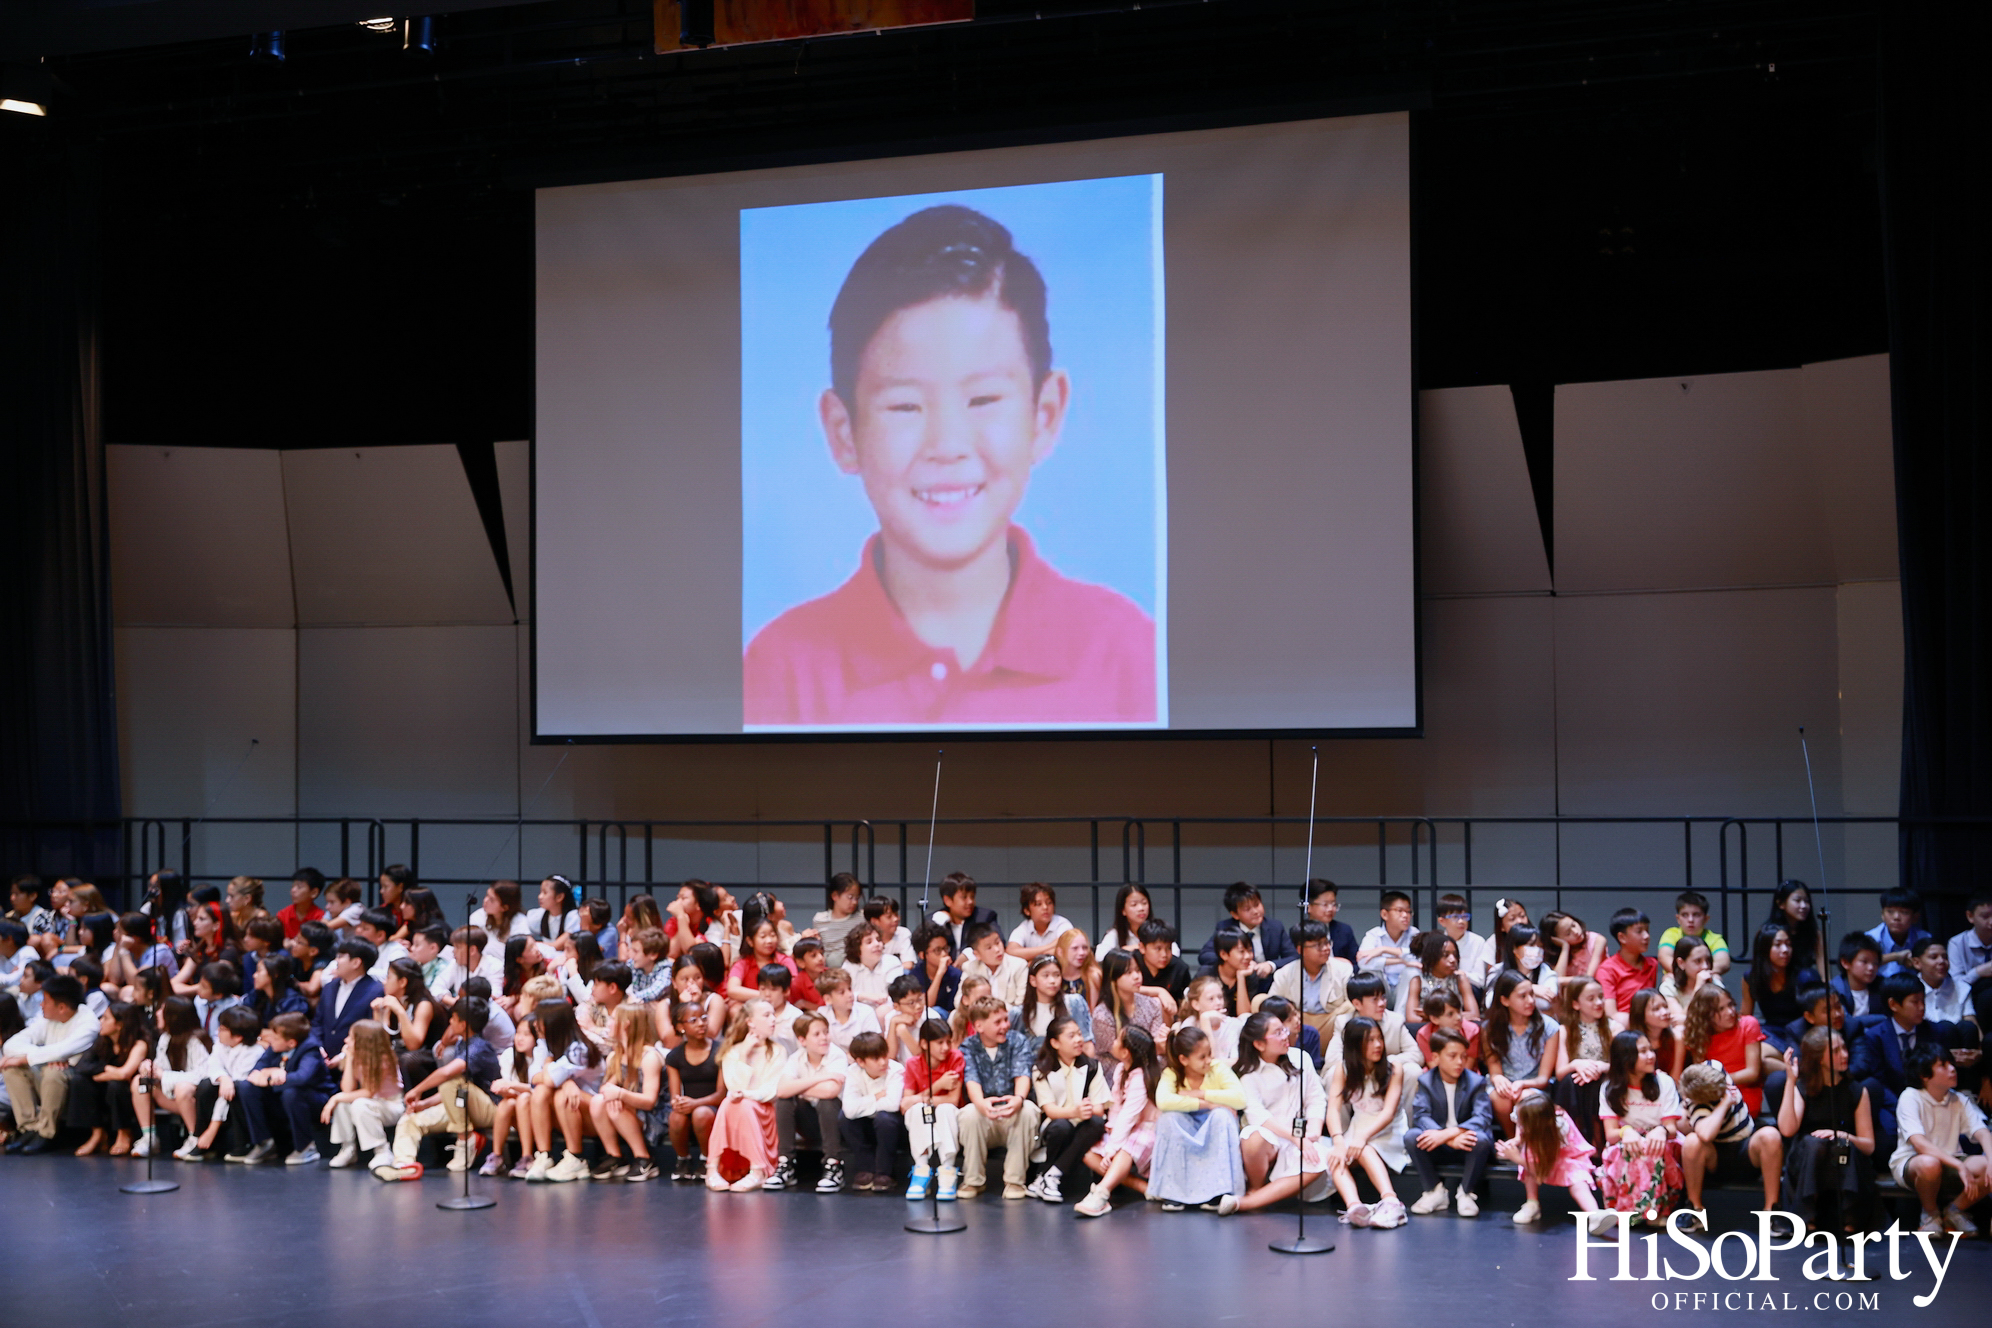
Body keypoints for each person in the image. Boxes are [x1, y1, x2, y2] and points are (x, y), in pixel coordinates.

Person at [742, 203, 1156, 727]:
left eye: (983, 400)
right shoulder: (780, 669)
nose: (947, 445)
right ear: (843, 432)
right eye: (905, 407)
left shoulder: (1125, 653)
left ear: (1045, 415)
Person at [379, 996, 502, 1181]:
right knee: (411, 1119)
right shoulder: (462, 1043)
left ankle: (466, 1139)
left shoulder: (479, 1047)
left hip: (490, 1109)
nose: (450, 1021)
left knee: (450, 1080)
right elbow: (453, 1093)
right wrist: (424, 1104)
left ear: (463, 1024)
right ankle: (404, 1165)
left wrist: (417, 1090)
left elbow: (449, 1078)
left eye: (453, 1018)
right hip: (462, 1107)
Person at [1773, 1028, 1877, 1232]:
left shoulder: (1857, 1090)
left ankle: (1850, 1219)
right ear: (1820, 1058)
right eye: (1836, 1051)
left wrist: (1843, 1135)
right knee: (1814, 1143)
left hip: (1843, 1158)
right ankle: (1806, 1216)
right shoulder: (1803, 1087)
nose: (1845, 1055)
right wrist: (1790, 1081)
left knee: (1843, 1145)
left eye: (1844, 1048)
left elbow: (1869, 1146)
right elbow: (1787, 1129)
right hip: (1809, 1158)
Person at [1232, 1010, 1330, 1214]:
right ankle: (1255, 1187)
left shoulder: (1300, 1058)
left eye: (1284, 1030)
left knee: (1319, 1158)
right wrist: (1296, 1138)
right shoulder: (1248, 1074)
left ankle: (1251, 1201)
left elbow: (1316, 1098)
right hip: (1271, 1137)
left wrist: (1313, 1129)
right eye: (1277, 1033)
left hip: (1300, 1135)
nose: (1286, 1035)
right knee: (1253, 1136)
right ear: (1259, 1044)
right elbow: (1258, 1116)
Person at [1890, 1044, 1992, 1236]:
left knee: (1987, 1166)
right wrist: (1959, 1166)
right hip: (1913, 1164)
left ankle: (1955, 1210)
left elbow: (1982, 1132)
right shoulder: (1910, 1097)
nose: (1952, 1069)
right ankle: (1930, 1214)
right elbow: (1918, 1143)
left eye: (1951, 1064)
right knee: (1930, 1164)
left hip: (1951, 1160)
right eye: (1943, 1065)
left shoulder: (1959, 1099)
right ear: (1924, 1075)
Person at [1147, 1024, 1246, 1212]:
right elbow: (1164, 1101)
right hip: (1186, 1124)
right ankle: (1174, 1193)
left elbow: (1239, 1098)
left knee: (1221, 1116)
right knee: (1168, 1119)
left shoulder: (1217, 1069)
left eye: (1210, 1053)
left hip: (1212, 1124)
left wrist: (1199, 1093)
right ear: (1184, 1059)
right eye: (1202, 1057)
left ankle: (1218, 1190)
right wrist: (1206, 1104)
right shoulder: (1171, 1074)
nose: (1209, 1060)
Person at [1324, 1016, 1411, 1228]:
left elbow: (1389, 1113)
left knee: (1363, 1149)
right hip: (1359, 1126)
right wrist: (1337, 1141)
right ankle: (1355, 1206)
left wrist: (1361, 1138)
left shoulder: (1394, 1068)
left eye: (1378, 1038)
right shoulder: (1343, 1070)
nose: (1378, 1045)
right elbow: (1333, 1109)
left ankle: (1391, 1201)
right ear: (1355, 1045)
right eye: (1370, 1040)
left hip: (1389, 1130)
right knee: (1336, 1157)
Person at [1593, 1029, 1684, 1221]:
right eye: (1643, 1051)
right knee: (1625, 1150)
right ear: (1626, 1058)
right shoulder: (1609, 1088)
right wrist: (1627, 1131)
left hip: (1662, 1139)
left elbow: (1672, 1129)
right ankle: (1631, 1213)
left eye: (1650, 1050)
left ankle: (1647, 1214)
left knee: (1651, 1150)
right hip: (1628, 1139)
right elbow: (1610, 1134)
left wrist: (1660, 1130)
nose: (1651, 1055)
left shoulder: (1664, 1082)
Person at [956, 995, 1041, 1199]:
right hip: (986, 1115)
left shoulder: (1017, 1040)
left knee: (1028, 1109)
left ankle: (1014, 1182)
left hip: (1012, 1112)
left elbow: (1023, 1074)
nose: (1005, 1025)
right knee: (969, 1114)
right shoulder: (968, 1046)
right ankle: (973, 1181)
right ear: (979, 1026)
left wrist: (1018, 1098)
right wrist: (981, 1104)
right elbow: (971, 1080)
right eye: (998, 1022)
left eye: (1006, 1019)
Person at [0, 973, 95, 1154]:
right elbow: (12, 1045)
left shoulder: (88, 1023)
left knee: (53, 1074)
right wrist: (43, 1057)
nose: (40, 1004)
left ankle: (47, 1133)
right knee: (12, 1067)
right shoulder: (47, 1019)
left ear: (61, 1007)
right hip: (46, 1073)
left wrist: (29, 1057)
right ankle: (29, 1128)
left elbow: (63, 1050)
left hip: (74, 1082)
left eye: (45, 1000)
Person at [1074, 1024, 1162, 1217]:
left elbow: (1129, 1116)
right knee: (1088, 1152)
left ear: (1125, 1052)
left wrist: (1112, 1149)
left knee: (1125, 1148)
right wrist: (1111, 1131)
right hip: (1125, 1129)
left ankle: (1101, 1194)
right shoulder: (1121, 1069)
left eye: (1117, 1040)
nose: (1112, 1043)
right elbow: (1116, 1108)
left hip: (1147, 1130)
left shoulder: (1141, 1078)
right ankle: (1142, 1187)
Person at [1026, 1013, 1111, 1202]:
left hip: (1084, 1123)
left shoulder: (1092, 1067)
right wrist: (1074, 1112)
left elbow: (1099, 1108)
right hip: (1057, 1124)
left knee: (1097, 1123)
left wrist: (1085, 1111)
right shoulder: (1041, 1069)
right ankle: (1048, 1177)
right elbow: (1050, 1110)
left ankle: (1049, 1175)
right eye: (1071, 1036)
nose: (1079, 1039)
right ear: (1055, 1043)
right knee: (1061, 1126)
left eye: (1079, 1034)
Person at [234, 1010, 334, 1166]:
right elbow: (257, 1070)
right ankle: (264, 1142)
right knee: (247, 1087)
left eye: (275, 1037)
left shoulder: (310, 1049)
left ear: (291, 1043)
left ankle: (306, 1147)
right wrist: (270, 1074)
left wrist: (270, 1077)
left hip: (315, 1100)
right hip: (283, 1095)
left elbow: (302, 1078)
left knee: (292, 1092)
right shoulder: (274, 1048)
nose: (269, 1040)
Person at [1497, 1088, 1605, 1229]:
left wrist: (1516, 1158)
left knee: (1578, 1182)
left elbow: (1543, 1167)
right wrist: (1517, 1139)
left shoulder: (1559, 1128)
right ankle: (1532, 1203)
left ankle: (1594, 1215)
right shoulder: (1524, 1114)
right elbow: (1519, 1124)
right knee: (1527, 1163)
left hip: (1565, 1157)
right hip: (1539, 1155)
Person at [707, 999, 785, 1192]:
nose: (773, 1019)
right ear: (750, 1022)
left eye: (773, 1014)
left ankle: (757, 1170)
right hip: (739, 1108)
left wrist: (747, 1094)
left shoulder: (778, 1051)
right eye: (767, 1015)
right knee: (729, 1103)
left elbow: (772, 1090)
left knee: (743, 1104)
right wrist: (744, 1054)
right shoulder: (732, 1051)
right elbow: (734, 1087)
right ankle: (711, 1169)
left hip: (764, 1110)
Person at [769, 1011, 847, 1191]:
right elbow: (781, 1090)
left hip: (837, 1123)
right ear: (802, 1040)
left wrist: (799, 1087)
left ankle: (833, 1164)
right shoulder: (796, 1058)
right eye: (817, 1034)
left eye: (826, 1032)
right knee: (784, 1101)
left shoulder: (836, 1055)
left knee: (827, 1102)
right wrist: (822, 1078)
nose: (824, 1038)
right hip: (810, 1122)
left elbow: (831, 1091)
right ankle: (786, 1162)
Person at [591, 1002, 666, 1182]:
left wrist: (620, 1095)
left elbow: (649, 1101)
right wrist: (612, 1093)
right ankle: (615, 1156)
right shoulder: (615, 1056)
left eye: (612, 1019)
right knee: (598, 1101)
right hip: (632, 1109)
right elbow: (606, 1088)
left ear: (625, 1024)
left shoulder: (649, 1058)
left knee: (614, 1106)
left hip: (653, 1116)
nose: (608, 1023)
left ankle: (645, 1159)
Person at [179, 1006, 265, 1161]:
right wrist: (224, 1078)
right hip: (226, 1093)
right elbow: (213, 1065)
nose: (218, 1030)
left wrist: (213, 1128)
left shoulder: (254, 1053)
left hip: (243, 1102)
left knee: (235, 1090)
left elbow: (230, 1091)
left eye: (223, 1028)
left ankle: (241, 1145)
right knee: (206, 1085)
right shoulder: (221, 1045)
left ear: (238, 1037)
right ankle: (203, 1141)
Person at [67, 1000, 148, 1157]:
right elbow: (81, 1066)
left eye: (105, 1018)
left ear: (119, 1025)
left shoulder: (139, 1044)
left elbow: (125, 1074)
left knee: (116, 1085)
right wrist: (107, 1069)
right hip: (107, 1088)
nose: (100, 1022)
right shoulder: (102, 1041)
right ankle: (97, 1133)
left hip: (132, 1093)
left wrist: (102, 1075)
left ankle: (124, 1133)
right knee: (79, 1081)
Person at [323, 1018, 404, 1170]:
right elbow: (347, 1089)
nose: (346, 1040)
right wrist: (350, 1058)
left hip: (392, 1105)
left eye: (351, 1037)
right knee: (344, 1103)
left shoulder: (383, 1059)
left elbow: (369, 1091)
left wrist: (335, 1097)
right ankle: (348, 1148)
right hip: (373, 1103)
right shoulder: (357, 1057)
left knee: (360, 1104)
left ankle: (382, 1150)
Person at [900, 1016, 965, 1201]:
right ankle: (921, 1169)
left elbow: (953, 1100)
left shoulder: (955, 1058)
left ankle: (947, 1170)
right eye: (939, 1043)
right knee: (918, 1109)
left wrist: (920, 1098)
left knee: (944, 1109)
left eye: (948, 1042)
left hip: (948, 1112)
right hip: (925, 1112)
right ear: (924, 1044)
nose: (946, 1047)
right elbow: (906, 1105)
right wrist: (938, 1085)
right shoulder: (913, 1064)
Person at [1484, 970, 1554, 1136]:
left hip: (1534, 1084)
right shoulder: (1490, 1028)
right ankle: (1511, 1138)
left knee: (1525, 1099)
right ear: (1505, 1000)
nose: (1530, 1001)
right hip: (1507, 1083)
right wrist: (1498, 1078)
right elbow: (1494, 1067)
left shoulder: (1549, 1027)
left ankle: (1528, 1142)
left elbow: (1543, 1078)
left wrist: (1523, 1084)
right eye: (1523, 996)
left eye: (1531, 994)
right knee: (1500, 1099)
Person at [1684, 982, 1769, 1115]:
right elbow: (1701, 1074)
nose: (1730, 1012)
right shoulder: (1700, 1035)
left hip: (1742, 1095)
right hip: (1712, 1095)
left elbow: (1752, 1073)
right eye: (1720, 1009)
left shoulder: (1748, 1024)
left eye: (1730, 1005)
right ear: (1706, 1014)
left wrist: (1717, 1081)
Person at [1196, 883, 1295, 996]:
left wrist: (1271, 965)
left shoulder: (1275, 927)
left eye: (1257, 905)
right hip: (1238, 984)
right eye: (1247, 909)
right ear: (1235, 914)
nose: (1255, 911)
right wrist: (1239, 962)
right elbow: (1205, 955)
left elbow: (1294, 957)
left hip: (1268, 985)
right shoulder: (1226, 928)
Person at [838, 1029, 905, 1192]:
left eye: (885, 1055)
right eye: (876, 1058)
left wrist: (862, 1104)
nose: (883, 1062)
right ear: (861, 1062)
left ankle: (885, 1173)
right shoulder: (852, 1072)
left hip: (893, 1128)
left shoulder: (896, 1070)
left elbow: (892, 1105)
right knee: (844, 1119)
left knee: (884, 1118)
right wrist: (875, 1097)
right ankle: (865, 1169)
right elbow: (849, 1110)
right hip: (866, 1125)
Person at [663, 1001, 722, 1182]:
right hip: (690, 1106)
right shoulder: (674, 1056)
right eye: (694, 1020)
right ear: (681, 1026)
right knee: (675, 1117)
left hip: (713, 1106)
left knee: (701, 1114)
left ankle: (707, 1160)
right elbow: (675, 1095)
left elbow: (721, 1095)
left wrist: (695, 1103)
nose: (701, 1023)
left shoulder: (720, 1050)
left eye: (704, 1018)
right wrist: (678, 1102)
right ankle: (683, 1160)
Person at [1269, 919, 1353, 1043]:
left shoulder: (1343, 969)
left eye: (1327, 943)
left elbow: (1353, 1003)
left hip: (1331, 1026)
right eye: (1318, 945)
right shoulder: (1284, 973)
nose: (1326, 948)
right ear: (1300, 949)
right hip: (1298, 1028)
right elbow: (1272, 1005)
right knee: (1260, 1002)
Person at [1093, 950, 1174, 1065]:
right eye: (1128, 972)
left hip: (1149, 1064)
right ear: (1114, 978)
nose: (1136, 976)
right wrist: (1156, 1047)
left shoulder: (1152, 1005)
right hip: (1116, 1068)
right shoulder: (1101, 1014)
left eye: (1137, 970)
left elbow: (1158, 1044)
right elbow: (1120, 1054)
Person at [1357, 890, 1420, 1007]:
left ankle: (1400, 1018)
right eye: (1400, 911)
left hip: (1404, 988)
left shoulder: (1414, 934)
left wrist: (1384, 950)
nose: (1405, 916)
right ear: (1384, 914)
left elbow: (1420, 959)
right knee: (1368, 972)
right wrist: (1402, 961)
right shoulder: (1373, 934)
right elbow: (1363, 962)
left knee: (1412, 972)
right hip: (1382, 987)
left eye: (1408, 911)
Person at [1595, 908, 1659, 1022]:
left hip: (1650, 1022)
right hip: (1622, 1026)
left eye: (1647, 930)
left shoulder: (1652, 964)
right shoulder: (1607, 970)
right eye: (1639, 931)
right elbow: (1611, 1014)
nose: (1646, 936)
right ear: (1622, 937)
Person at [1403, 929, 1478, 1024]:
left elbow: (1474, 1014)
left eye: (1455, 955)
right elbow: (1411, 1017)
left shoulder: (1461, 980)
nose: (1452, 960)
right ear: (1432, 958)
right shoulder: (1418, 981)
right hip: (1426, 1028)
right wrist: (1450, 1017)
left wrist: (1436, 1016)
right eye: (1445, 955)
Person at [1657, 890, 1731, 977]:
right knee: (1668, 977)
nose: (1690, 920)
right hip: (1679, 979)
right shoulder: (1671, 934)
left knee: (1716, 977)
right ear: (1678, 918)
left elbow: (1723, 962)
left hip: (1705, 979)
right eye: (1685, 915)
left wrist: (1701, 974)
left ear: (1706, 919)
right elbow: (1664, 957)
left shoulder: (1715, 939)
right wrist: (1689, 976)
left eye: (1696, 915)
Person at [957, 920, 1028, 1008]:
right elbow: (959, 1000)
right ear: (977, 954)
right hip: (978, 1015)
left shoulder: (1019, 965)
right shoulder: (970, 968)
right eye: (989, 947)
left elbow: (1021, 1004)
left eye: (998, 943)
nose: (997, 950)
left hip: (1007, 1017)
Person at [1867, 886, 1930, 977]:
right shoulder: (1871, 938)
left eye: (1904, 912)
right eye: (1890, 911)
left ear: (1915, 917)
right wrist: (1895, 956)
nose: (1896, 917)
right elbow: (1861, 963)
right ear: (1882, 915)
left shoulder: (1924, 938)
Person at [930, 872, 997, 956]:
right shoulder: (934, 920)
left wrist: (969, 955)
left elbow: (997, 944)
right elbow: (925, 952)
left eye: (972, 897)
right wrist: (938, 924)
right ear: (948, 900)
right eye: (964, 897)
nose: (970, 902)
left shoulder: (985, 917)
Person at [904, 922, 961, 1016]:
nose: (944, 954)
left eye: (945, 948)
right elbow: (926, 1006)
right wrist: (939, 974)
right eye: (937, 950)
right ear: (922, 955)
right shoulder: (915, 976)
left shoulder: (955, 975)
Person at [1415, 988, 1482, 1067]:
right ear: (1435, 1019)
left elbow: (1467, 1068)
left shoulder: (1472, 1031)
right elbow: (1434, 1067)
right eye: (1450, 1014)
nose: (1458, 1017)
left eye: (1459, 1011)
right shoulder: (1424, 1035)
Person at [1006, 883, 1073, 963]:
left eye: (1049, 903)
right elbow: (1011, 951)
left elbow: (1066, 948)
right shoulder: (1024, 927)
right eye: (1038, 904)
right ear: (1027, 910)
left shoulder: (1062, 923)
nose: (1045, 907)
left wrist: (1031, 960)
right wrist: (1050, 946)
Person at [1099, 883, 1167, 958]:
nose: (1141, 908)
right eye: (1134, 905)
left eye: (1144, 903)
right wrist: (1125, 950)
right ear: (1123, 910)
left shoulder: (1158, 930)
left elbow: (1174, 952)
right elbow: (1100, 956)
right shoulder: (1116, 933)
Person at [1134, 919, 1192, 1004]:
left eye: (1168, 948)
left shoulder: (1180, 968)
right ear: (1142, 948)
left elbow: (1186, 1002)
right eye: (1158, 949)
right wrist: (1159, 991)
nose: (1164, 954)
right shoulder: (1130, 963)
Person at [1542, 909, 1607, 983]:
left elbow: (1588, 978)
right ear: (1556, 939)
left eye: (1573, 925)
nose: (1576, 932)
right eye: (1568, 933)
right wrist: (1565, 948)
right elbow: (1556, 981)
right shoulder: (1555, 953)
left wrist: (1562, 980)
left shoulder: (1597, 940)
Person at [1306, 879, 1361, 965]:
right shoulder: (1300, 932)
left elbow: (1357, 963)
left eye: (1334, 904)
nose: (1330, 909)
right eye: (1325, 904)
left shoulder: (1344, 930)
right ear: (1309, 907)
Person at [1832, 931, 1885, 1022]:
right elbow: (1847, 1023)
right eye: (1864, 962)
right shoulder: (1834, 990)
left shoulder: (1882, 986)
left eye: (1875, 963)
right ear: (1845, 962)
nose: (1871, 968)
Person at [809, 872, 867, 956]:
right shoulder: (820, 920)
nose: (854, 902)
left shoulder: (862, 918)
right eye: (850, 897)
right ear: (835, 896)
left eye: (857, 898)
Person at [276, 869, 325, 943]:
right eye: (293, 886)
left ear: (314, 893)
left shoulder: (320, 917)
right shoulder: (282, 914)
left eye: (299, 887)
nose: (293, 890)